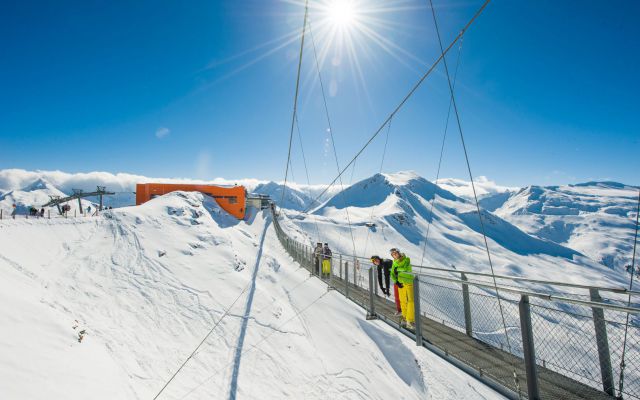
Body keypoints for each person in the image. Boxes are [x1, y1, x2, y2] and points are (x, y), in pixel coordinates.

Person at [390, 247, 415, 329]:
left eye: (395, 253)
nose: (394, 255)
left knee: (411, 301)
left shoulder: (406, 259)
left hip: (408, 282)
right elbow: (392, 274)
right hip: (400, 283)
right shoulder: (394, 262)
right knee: (403, 301)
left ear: (399, 253)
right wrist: (396, 281)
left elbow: (406, 269)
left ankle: (410, 320)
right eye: (393, 254)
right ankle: (404, 318)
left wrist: (397, 269)